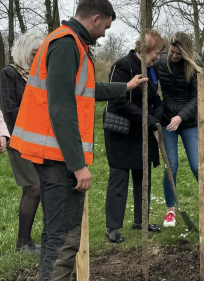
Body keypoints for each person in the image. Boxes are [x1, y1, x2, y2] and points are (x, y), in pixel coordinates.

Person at [9, 0, 148, 279]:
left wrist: (125, 86)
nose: (105, 34)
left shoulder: (71, 44)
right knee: (64, 238)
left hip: (53, 153)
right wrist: (77, 164)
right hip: (57, 156)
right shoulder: (65, 44)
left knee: (56, 233)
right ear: (96, 18)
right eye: (106, 27)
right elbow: (60, 107)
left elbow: (84, 89)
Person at [154, 32, 204, 232]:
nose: (174, 55)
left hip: (189, 122)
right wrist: (162, 112)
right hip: (167, 122)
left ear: (186, 53)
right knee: (171, 167)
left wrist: (182, 117)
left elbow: (198, 97)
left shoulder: (196, 66)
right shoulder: (160, 63)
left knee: (198, 166)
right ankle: (170, 210)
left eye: (178, 53)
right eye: (172, 51)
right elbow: (152, 87)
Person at [104, 29, 164, 243]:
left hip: (142, 132)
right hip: (122, 132)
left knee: (143, 177)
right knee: (119, 179)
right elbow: (116, 101)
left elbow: (154, 95)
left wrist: (158, 110)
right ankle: (112, 227)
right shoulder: (123, 65)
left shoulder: (151, 68)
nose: (158, 57)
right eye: (156, 52)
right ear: (145, 49)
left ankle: (142, 220)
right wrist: (145, 116)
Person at [0, 31, 44, 255]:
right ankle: (23, 243)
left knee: (39, 188)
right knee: (33, 188)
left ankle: (29, 241)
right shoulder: (9, 74)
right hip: (20, 139)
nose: (37, 58)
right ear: (25, 52)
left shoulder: (39, 75)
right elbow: (10, 111)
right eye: (35, 54)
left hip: (41, 139)